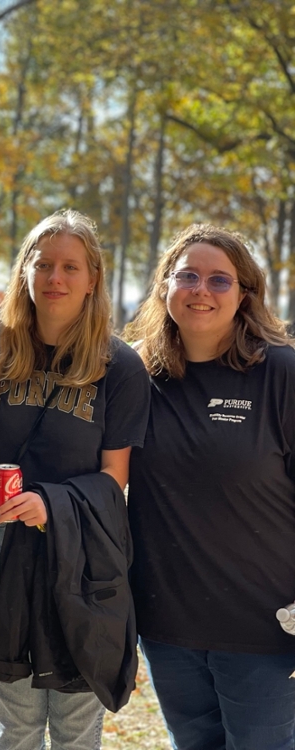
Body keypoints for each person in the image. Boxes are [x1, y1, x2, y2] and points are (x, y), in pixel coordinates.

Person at [0, 209, 149, 750]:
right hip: (2, 546)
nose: (56, 278)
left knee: (75, 721)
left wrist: (51, 504)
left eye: (71, 267)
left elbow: (114, 475)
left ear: (92, 278)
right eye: (44, 263)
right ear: (25, 270)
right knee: (17, 716)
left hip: (83, 550)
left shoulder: (117, 366)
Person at [125, 224, 295, 750]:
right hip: (166, 623)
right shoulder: (134, 374)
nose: (201, 290)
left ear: (245, 294)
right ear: (164, 287)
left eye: (220, 280)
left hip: (265, 629)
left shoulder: (281, 374)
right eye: (188, 276)